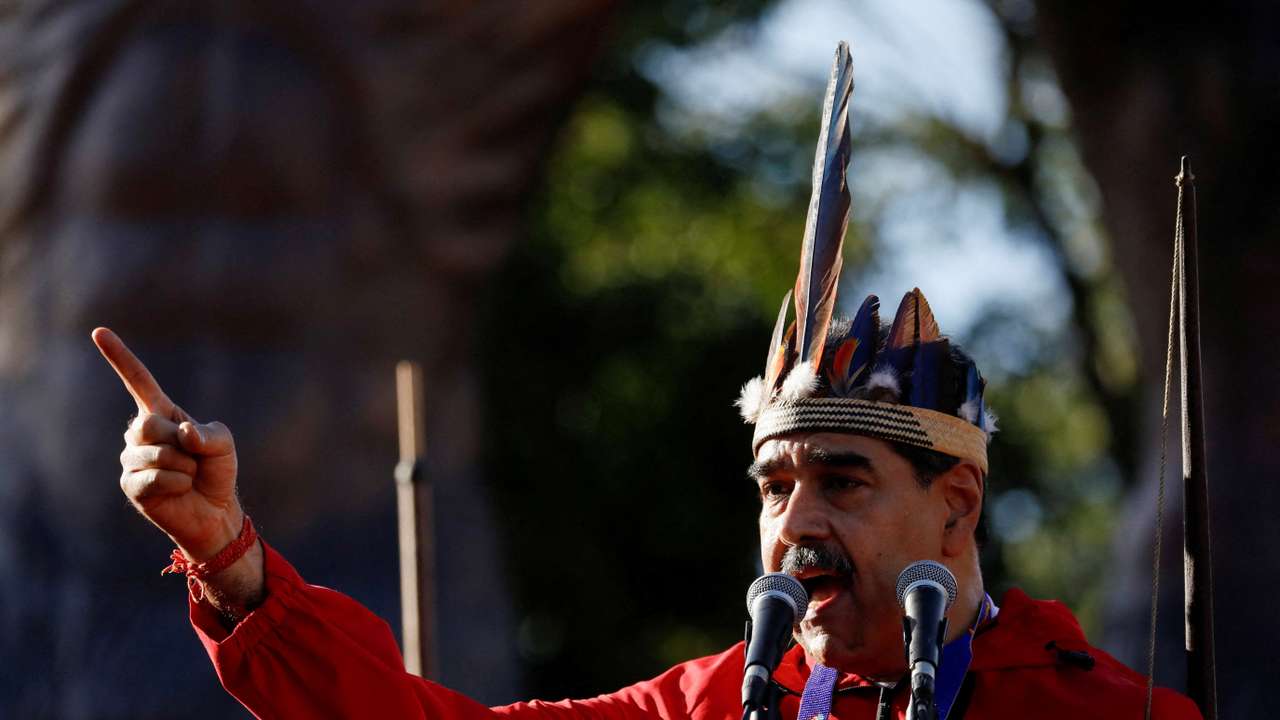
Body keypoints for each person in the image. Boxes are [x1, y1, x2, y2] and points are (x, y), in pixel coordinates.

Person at [94, 43, 1202, 720]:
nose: (794, 521)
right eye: (773, 486)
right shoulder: (712, 706)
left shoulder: (1099, 712)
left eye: (842, 481)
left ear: (954, 505)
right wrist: (231, 560)